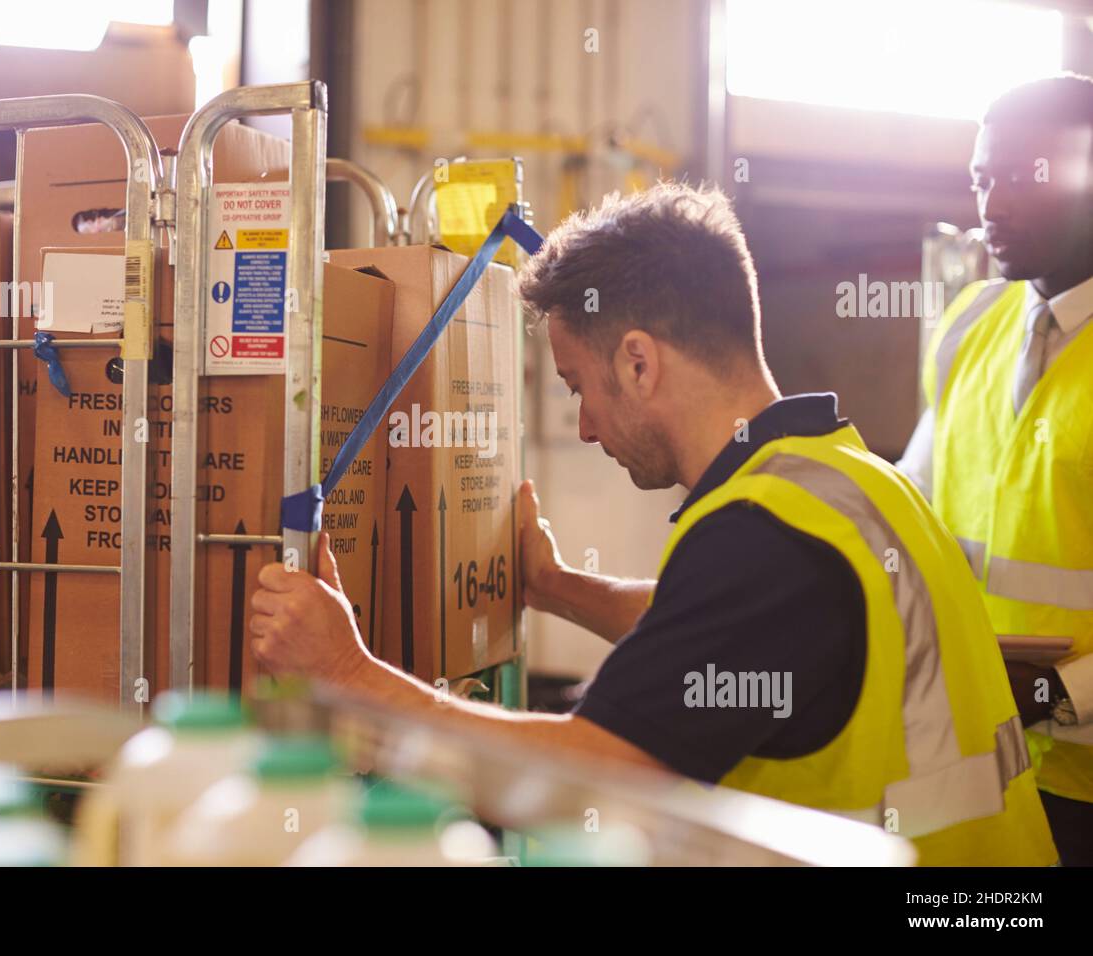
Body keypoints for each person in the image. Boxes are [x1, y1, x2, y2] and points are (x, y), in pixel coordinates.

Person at [250, 181, 1055, 866]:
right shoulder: (847, 480)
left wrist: (350, 675)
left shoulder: (764, 541)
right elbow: (713, 634)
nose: (588, 426)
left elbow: (595, 780)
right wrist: (554, 586)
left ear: (639, 361)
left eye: (577, 387)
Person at [899, 73, 1093, 865]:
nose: (994, 205)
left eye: (1024, 177)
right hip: (983, 768)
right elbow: (903, 508)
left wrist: (1056, 697)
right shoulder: (970, 323)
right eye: (984, 178)